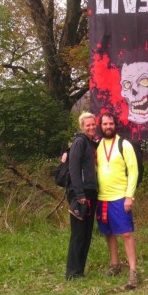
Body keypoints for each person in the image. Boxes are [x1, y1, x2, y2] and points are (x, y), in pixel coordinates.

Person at [96, 112, 139, 289]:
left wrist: (129, 196)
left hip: (120, 198)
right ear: (101, 126)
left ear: (115, 125)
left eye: (111, 124)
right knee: (109, 233)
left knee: (126, 234)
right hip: (102, 198)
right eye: (105, 124)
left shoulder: (124, 144)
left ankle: (133, 272)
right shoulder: (97, 145)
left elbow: (134, 171)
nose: (108, 127)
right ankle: (115, 266)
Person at [64, 112, 98, 280]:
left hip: (91, 193)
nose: (91, 127)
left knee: (86, 233)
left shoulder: (92, 143)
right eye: (88, 125)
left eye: (93, 124)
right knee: (78, 234)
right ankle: (72, 272)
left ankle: (80, 271)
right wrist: (79, 195)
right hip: (80, 194)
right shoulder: (80, 141)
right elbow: (73, 169)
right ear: (82, 127)